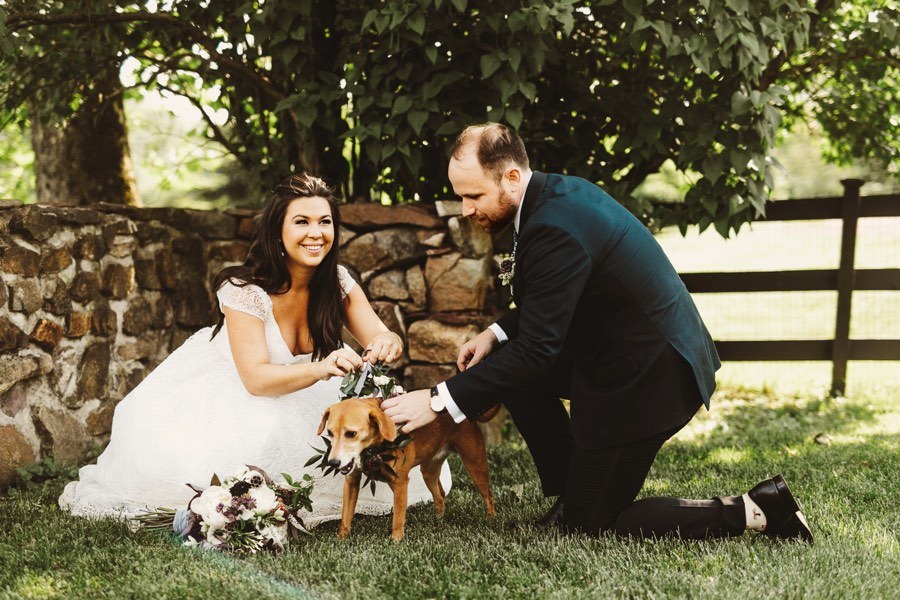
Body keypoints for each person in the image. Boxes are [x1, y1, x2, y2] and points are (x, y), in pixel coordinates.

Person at [382, 124, 812, 542]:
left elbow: (538, 349)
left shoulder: (554, 225)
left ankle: (755, 508)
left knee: (594, 526)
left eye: (474, 195)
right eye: (461, 196)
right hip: (616, 354)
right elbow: (556, 299)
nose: (466, 209)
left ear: (511, 177)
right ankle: (574, 491)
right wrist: (494, 333)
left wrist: (438, 400)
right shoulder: (551, 195)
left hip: (650, 377)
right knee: (503, 360)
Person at [60, 173, 451, 526]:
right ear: (277, 230)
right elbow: (256, 380)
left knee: (383, 428)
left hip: (309, 380)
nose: (316, 233)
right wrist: (323, 367)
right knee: (263, 436)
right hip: (238, 386)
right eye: (302, 222)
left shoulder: (337, 281)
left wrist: (386, 342)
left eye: (325, 221)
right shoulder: (245, 291)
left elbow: (384, 336)